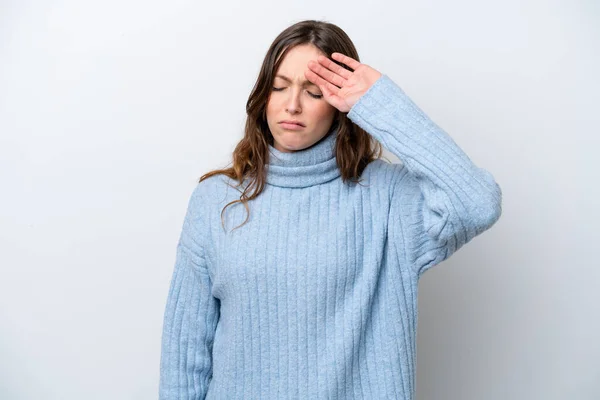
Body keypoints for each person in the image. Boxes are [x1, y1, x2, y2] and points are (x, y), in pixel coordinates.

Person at [158, 19, 502, 400]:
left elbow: (477, 203)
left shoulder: (386, 197)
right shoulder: (215, 200)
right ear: (262, 96)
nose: (292, 105)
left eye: (314, 92)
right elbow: (185, 355)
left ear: (342, 107)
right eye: (279, 86)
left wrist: (381, 104)